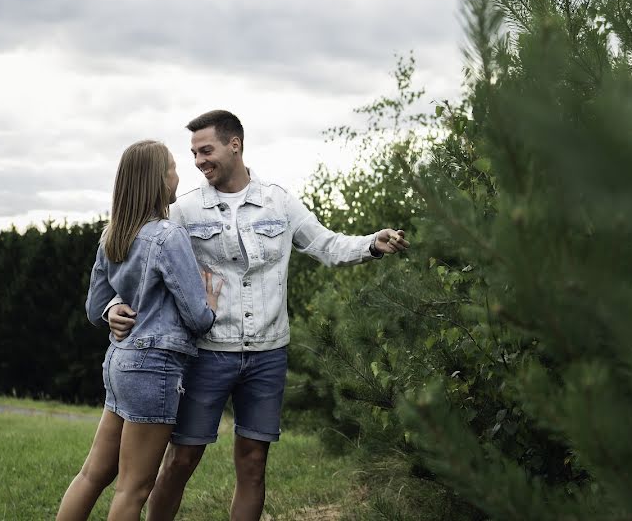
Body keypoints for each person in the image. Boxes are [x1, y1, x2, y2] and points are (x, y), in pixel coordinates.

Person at [105, 111, 409, 521]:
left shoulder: (278, 201)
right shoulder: (184, 210)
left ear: (235, 145)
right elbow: (122, 250)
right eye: (193, 154)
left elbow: (325, 244)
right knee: (181, 460)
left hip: (268, 356)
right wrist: (110, 305)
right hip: (206, 354)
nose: (198, 161)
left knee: (252, 463)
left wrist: (373, 242)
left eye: (206, 150)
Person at [57, 139, 222, 521]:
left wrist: (113, 309)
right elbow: (196, 318)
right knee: (133, 489)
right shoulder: (168, 235)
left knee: (92, 474)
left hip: (120, 363)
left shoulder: (112, 235)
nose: (179, 174)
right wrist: (210, 305)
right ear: (160, 180)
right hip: (154, 368)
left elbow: (94, 307)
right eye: (173, 167)